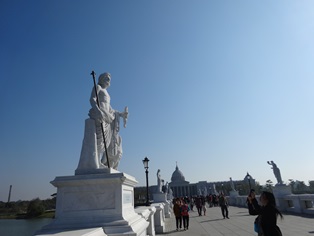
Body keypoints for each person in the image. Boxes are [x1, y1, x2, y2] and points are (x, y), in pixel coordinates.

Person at [76, 72, 128, 172]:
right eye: (107, 78)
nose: (108, 80)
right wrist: (98, 110)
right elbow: (92, 99)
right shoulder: (97, 87)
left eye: (109, 79)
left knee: (105, 143)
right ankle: (96, 162)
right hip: (99, 115)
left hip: (107, 117)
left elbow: (110, 109)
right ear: (101, 78)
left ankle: (99, 161)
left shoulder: (107, 93)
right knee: (99, 140)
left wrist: (121, 114)